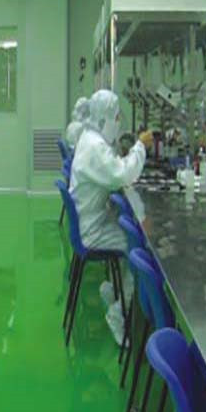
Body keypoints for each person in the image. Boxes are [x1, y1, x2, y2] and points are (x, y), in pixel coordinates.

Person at [69, 90, 153, 343]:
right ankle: (119, 313)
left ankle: (117, 291)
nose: (118, 122)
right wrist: (140, 146)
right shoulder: (94, 147)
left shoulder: (90, 139)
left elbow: (113, 170)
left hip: (90, 221)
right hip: (92, 231)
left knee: (128, 232)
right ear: (104, 118)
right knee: (138, 248)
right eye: (116, 117)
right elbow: (122, 175)